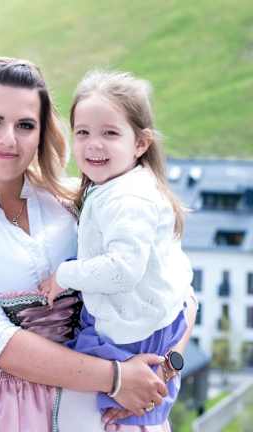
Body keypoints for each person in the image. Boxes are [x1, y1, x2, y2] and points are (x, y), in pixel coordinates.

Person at [0, 57, 196, 431]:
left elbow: (180, 293)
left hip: (112, 411)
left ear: (43, 132)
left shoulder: (79, 199)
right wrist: (116, 378)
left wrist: (161, 371)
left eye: (25, 125)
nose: (8, 139)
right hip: (8, 416)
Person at [38, 70, 192, 427]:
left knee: (99, 402)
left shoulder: (129, 199)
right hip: (147, 319)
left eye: (110, 133)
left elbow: (123, 271)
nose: (94, 144)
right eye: (83, 132)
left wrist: (64, 275)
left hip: (135, 331)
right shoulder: (116, 186)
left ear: (140, 143)